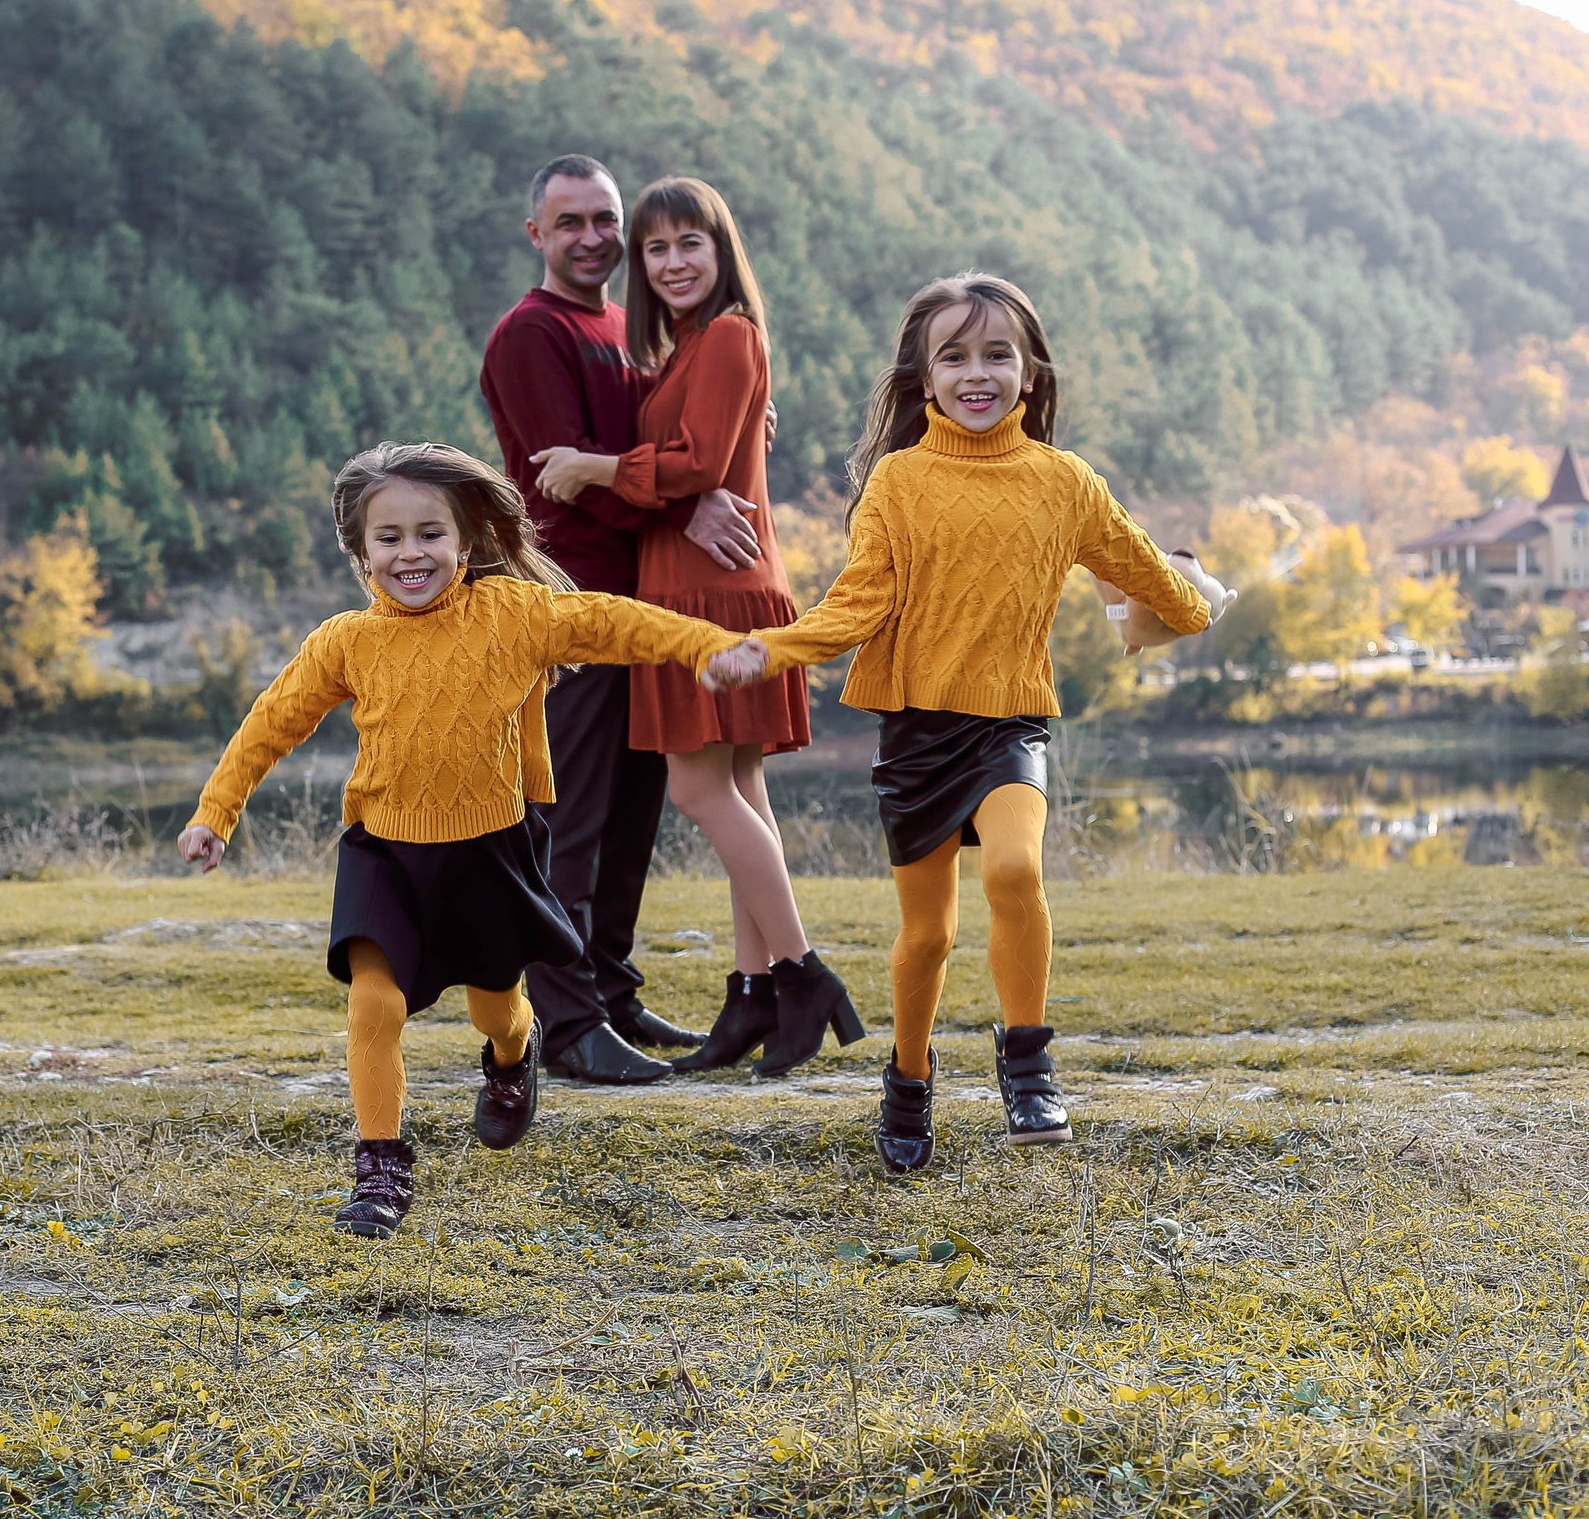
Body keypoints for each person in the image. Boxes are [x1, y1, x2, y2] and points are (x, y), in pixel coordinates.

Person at [704, 274, 1233, 1158]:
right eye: (954, 356)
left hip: (1011, 723)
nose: (976, 373)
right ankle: (907, 1081)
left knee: (1017, 875)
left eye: (997, 354)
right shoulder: (899, 483)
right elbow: (855, 605)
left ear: (1031, 373)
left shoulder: (1066, 482)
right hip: (916, 731)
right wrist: (775, 647)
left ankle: (1028, 1070)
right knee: (929, 933)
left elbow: (1153, 584)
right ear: (923, 374)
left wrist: (1196, 597)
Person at [178, 442, 743, 1237]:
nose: (411, 553)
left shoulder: (512, 615)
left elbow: (611, 621)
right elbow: (271, 723)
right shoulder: (346, 641)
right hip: (384, 850)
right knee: (375, 1003)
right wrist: (215, 812)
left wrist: (706, 644)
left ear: (467, 540)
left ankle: (516, 1057)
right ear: (361, 550)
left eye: (430, 533)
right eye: (389, 537)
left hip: (488, 851)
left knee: (497, 1006)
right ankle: (380, 1166)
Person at [530, 175, 862, 1077]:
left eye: (691, 244)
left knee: (699, 792)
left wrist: (594, 467)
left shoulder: (724, 335)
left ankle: (801, 973)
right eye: (657, 248)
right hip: (721, 585)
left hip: (706, 598)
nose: (673, 262)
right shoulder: (691, 345)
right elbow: (713, 449)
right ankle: (751, 991)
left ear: (723, 253)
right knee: (742, 790)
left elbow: (699, 462)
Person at [478, 154, 773, 1086]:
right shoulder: (530, 334)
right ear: (537, 234)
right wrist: (680, 507)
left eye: (605, 220)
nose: (592, 238)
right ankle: (563, 1024)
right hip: (575, 598)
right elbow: (557, 475)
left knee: (636, 810)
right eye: (570, 222)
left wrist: (715, 460)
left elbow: (672, 441)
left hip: (653, 600)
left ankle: (610, 987)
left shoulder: (631, 329)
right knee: (572, 814)